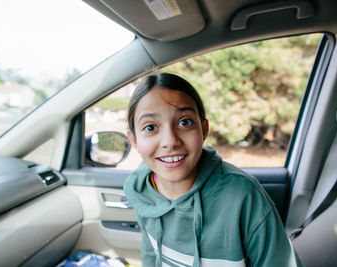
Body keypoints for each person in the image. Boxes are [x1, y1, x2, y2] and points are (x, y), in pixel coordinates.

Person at [123, 73, 302, 267]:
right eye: (150, 127)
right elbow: (150, 254)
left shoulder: (242, 195)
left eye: (184, 122)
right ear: (134, 140)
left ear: (204, 129)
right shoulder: (141, 189)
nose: (170, 141)